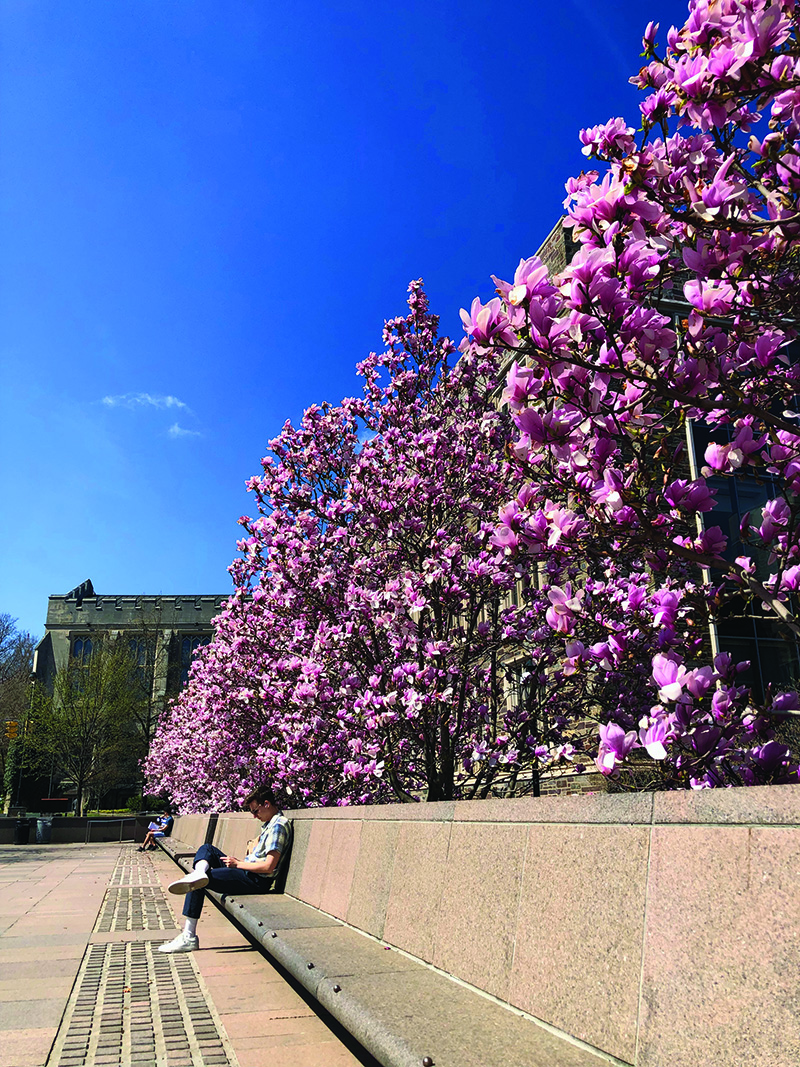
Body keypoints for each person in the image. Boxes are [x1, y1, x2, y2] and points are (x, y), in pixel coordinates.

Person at [158, 784, 291, 954]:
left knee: (199, 883)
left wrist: (238, 864)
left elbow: (268, 867)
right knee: (207, 849)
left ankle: (189, 937)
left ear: (266, 804)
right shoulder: (269, 824)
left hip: (256, 880)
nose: (254, 816)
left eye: (255, 811)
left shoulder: (278, 826)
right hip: (247, 871)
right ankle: (199, 872)